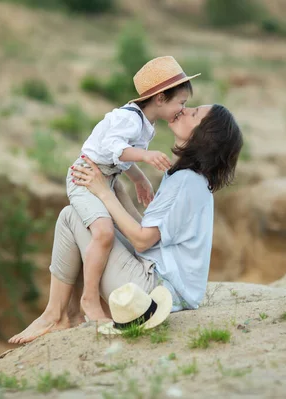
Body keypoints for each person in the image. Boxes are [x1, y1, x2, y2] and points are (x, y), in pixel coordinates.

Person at [9, 104, 243, 345]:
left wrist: (103, 193)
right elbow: (147, 238)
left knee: (71, 217)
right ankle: (68, 315)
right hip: (164, 281)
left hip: (155, 288)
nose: (184, 110)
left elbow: (141, 240)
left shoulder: (185, 181)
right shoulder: (189, 178)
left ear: (205, 137)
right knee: (89, 221)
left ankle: (57, 315)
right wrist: (115, 186)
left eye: (194, 114)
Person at [67, 56, 200, 321]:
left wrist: (139, 178)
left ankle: (94, 300)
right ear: (160, 98)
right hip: (85, 177)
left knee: (115, 232)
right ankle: (89, 298)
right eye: (181, 103)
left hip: (107, 177)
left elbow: (120, 158)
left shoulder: (145, 122)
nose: (182, 110)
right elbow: (116, 149)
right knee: (104, 233)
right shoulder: (129, 119)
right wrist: (145, 158)